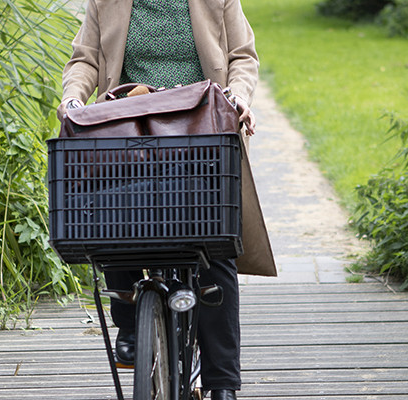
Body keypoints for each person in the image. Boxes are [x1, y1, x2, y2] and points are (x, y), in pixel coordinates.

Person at [58, 1, 260, 399]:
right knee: (111, 217)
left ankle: (222, 383)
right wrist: (74, 99)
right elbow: (85, 60)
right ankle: (131, 319)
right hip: (130, 130)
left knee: (215, 248)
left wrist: (237, 96)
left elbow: (242, 56)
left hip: (200, 128)